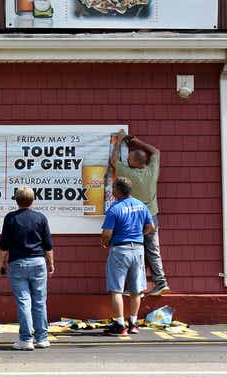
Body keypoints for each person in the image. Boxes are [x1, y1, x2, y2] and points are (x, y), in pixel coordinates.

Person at [111, 129, 170, 296]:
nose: (127, 161)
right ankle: (160, 282)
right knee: (153, 250)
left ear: (135, 163)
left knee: (136, 251)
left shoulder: (129, 174)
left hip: (135, 218)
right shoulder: (152, 171)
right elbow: (156, 152)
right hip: (151, 216)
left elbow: (114, 161)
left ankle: (135, 288)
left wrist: (119, 141)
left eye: (129, 159)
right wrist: (137, 142)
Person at [0, 187, 54, 351]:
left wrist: (1, 263)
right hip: (38, 262)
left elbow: (4, 245)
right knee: (39, 301)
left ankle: (26, 340)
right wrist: (51, 263)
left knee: (24, 301)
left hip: (18, 263)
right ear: (33, 200)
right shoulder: (40, 218)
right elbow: (48, 245)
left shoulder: (10, 218)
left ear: (16, 200)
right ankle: (42, 338)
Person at [101, 177, 155, 335]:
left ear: (117, 191)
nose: (112, 191)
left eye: (113, 189)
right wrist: (139, 234)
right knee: (136, 290)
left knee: (116, 289)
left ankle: (119, 324)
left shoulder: (114, 208)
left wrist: (105, 243)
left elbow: (107, 233)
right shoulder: (141, 205)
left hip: (120, 250)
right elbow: (151, 226)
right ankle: (133, 322)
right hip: (138, 249)